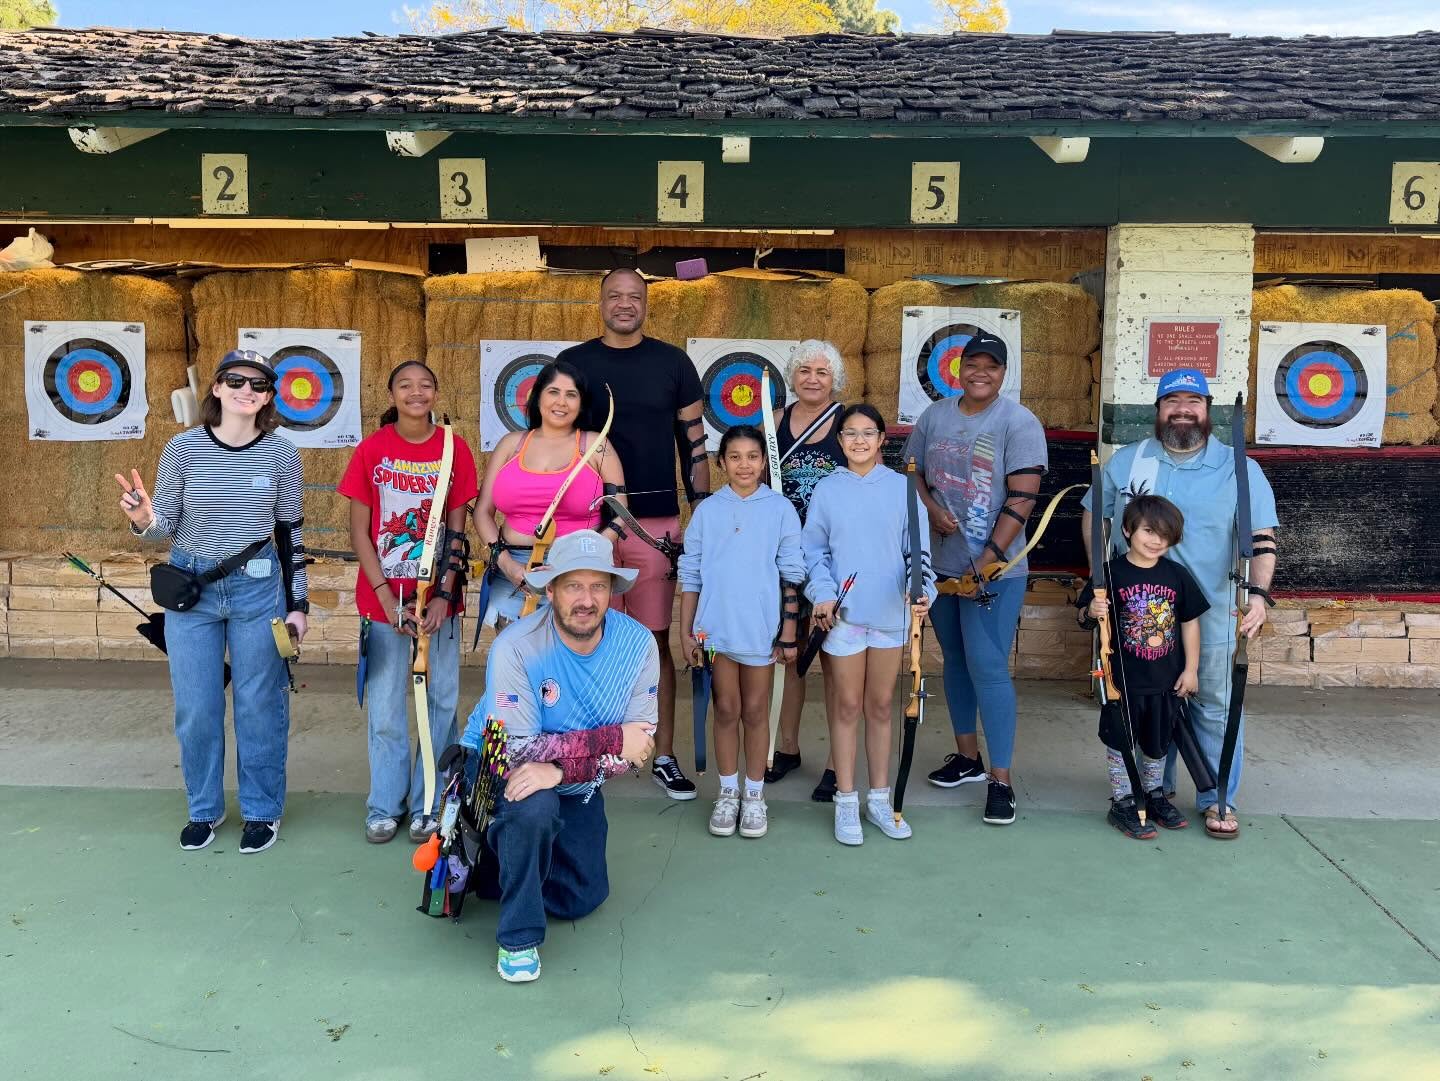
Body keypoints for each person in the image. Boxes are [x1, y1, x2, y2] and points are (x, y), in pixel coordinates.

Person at [115, 349, 308, 855]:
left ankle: (262, 809)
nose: (247, 390)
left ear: (268, 397)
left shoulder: (282, 454)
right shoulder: (183, 449)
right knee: (197, 706)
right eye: (236, 380)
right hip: (192, 591)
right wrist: (142, 518)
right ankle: (203, 808)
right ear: (217, 388)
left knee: (259, 704)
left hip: (258, 589)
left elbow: (289, 534)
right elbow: (163, 526)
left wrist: (299, 605)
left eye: (259, 384)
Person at [1082, 369, 1278, 839]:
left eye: (1194, 401)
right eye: (1173, 401)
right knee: (1149, 705)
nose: (1183, 410)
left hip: (1210, 615)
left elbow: (1260, 536)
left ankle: (1217, 798)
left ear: (1207, 411)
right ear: (1158, 410)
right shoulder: (1129, 461)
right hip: (1137, 620)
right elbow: (1095, 515)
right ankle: (1156, 791)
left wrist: (1257, 595)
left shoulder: (1239, 468)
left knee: (1214, 707)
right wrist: (1099, 581)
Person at [457, 529, 658, 983]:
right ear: (550, 591)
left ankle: (498, 864)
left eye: (598, 586)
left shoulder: (639, 644)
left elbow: (639, 746)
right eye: (573, 586)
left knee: (582, 897)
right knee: (533, 807)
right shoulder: (517, 646)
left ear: (612, 590)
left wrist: (562, 768)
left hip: (574, 776)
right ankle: (518, 938)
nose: (586, 600)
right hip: (496, 762)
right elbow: (517, 752)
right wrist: (610, 739)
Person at [560, 268, 710, 801]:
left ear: (646, 304)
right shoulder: (574, 363)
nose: (624, 304)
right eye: (614, 296)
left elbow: (694, 443)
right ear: (600, 302)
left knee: (653, 641)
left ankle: (661, 753)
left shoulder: (673, 363)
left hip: (654, 526)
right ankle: (582, 752)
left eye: (634, 297)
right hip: (588, 522)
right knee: (582, 639)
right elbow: (554, 434)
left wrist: (703, 513)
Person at [905, 332, 1047, 827]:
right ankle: (968, 758)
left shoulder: (1019, 422)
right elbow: (912, 473)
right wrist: (931, 509)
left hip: (994, 571)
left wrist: (986, 559)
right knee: (956, 661)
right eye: (972, 364)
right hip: (943, 565)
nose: (980, 373)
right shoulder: (934, 417)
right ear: (958, 368)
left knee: (987, 665)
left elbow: (1023, 498)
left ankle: (1000, 780)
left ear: (1004, 372)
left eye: (991, 365)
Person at [339, 361, 479, 845]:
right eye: (405, 385)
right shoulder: (372, 449)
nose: (416, 393)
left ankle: (430, 801)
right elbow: (359, 532)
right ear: (391, 394)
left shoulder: (453, 448)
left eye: (425, 385)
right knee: (385, 708)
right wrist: (385, 599)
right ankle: (385, 804)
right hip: (384, 601)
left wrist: (443, 594)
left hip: (437, 603)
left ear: (436, 393)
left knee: (440, 702)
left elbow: (457, 533)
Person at [803, 403, 935, 845]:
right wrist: (822, 593)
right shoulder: (827, 490)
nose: (858, 441)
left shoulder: (902, 488)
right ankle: (846, 800)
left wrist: (922, 590)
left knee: (880, 707)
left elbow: (918, 553)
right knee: (846, 706)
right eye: (850, 433)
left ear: (881, 440)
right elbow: (814, 552)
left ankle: (879, 799)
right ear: (840, 441)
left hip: (889, 615)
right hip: (845, 617)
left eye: (867, 433)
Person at [678, 425, 805, 840]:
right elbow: (691, 573)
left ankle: (754, 794)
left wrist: (788, 631)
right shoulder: (708, 511)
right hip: (715, 632)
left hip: (760, 631)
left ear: (764, 462)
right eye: (734, 457)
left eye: (752, 456)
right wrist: (686, 632)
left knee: (755, 712)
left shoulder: (780, 509)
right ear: (721, 463)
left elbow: (791, 571)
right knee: (726, 710)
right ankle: (728, 792)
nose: (744, 465)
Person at [1077, 494, 1208, 839]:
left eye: (1164, 535)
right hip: (1121, 682)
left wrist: (1191, 669)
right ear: (1127, 530)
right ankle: (1123, 801)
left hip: (1165, 681)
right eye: (1149, 531)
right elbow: (1083, 618)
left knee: (1157, 742)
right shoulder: (1109, 574)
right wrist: (1092, 611)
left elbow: (1190, 623)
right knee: (1120, 741)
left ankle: (1153, 795)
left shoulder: (1177, 575)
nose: (1156, 541)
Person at [471, 360, 625, 628]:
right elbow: (483, 511)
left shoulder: (596, 445)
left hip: (577, 569)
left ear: (581, 402)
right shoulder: (511, 444)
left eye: (571, 394)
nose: (561, 402)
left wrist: (583, 557)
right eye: (553, 392)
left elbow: (620, 514)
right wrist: (506, 563)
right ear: (537, 396)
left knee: (571, 649)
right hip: (514, 568)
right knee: (516, 650)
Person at [763, 339, 849, 794]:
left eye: (822, 372)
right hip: (786, 556)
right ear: (792, 376)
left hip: (835, 558)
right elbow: (757, 481)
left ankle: (838, 764)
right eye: (804, 371)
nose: (813, 379)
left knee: (836, 662)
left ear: (835, 379)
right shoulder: (772, 422)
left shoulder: (848, 424)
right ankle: (788, 748)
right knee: (789, 656)